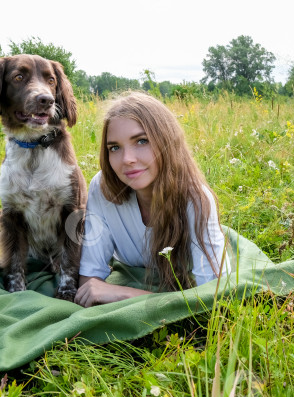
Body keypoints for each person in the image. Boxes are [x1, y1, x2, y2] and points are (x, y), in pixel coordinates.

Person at [74, 92, 230, 308]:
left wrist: (125, 294)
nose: (127, 159)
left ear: (166, 141)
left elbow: (215, 296)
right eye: (115, 148)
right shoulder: (102, 188)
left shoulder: (195, 199)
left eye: (141, 141)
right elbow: (89, 280)